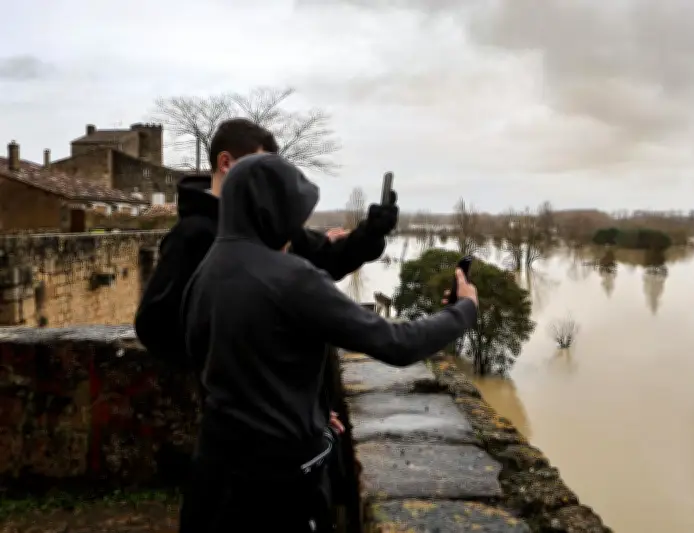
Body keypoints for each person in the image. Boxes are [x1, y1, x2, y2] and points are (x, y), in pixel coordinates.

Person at [178, 153, 478, 533]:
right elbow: (397, 343)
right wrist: (464, 310)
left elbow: (221, 364)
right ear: (276, 213)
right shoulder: (291, 278)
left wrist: (308, 411)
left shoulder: (205, 271)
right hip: (275, 487)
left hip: (213, 472)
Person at [134, 118, 397, 376]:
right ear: (226, 163)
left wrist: (370, 233)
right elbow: (155, 327)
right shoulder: (193, 235)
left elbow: (327, 258)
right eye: (259, 166)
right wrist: (229, 370)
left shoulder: (267, 222)